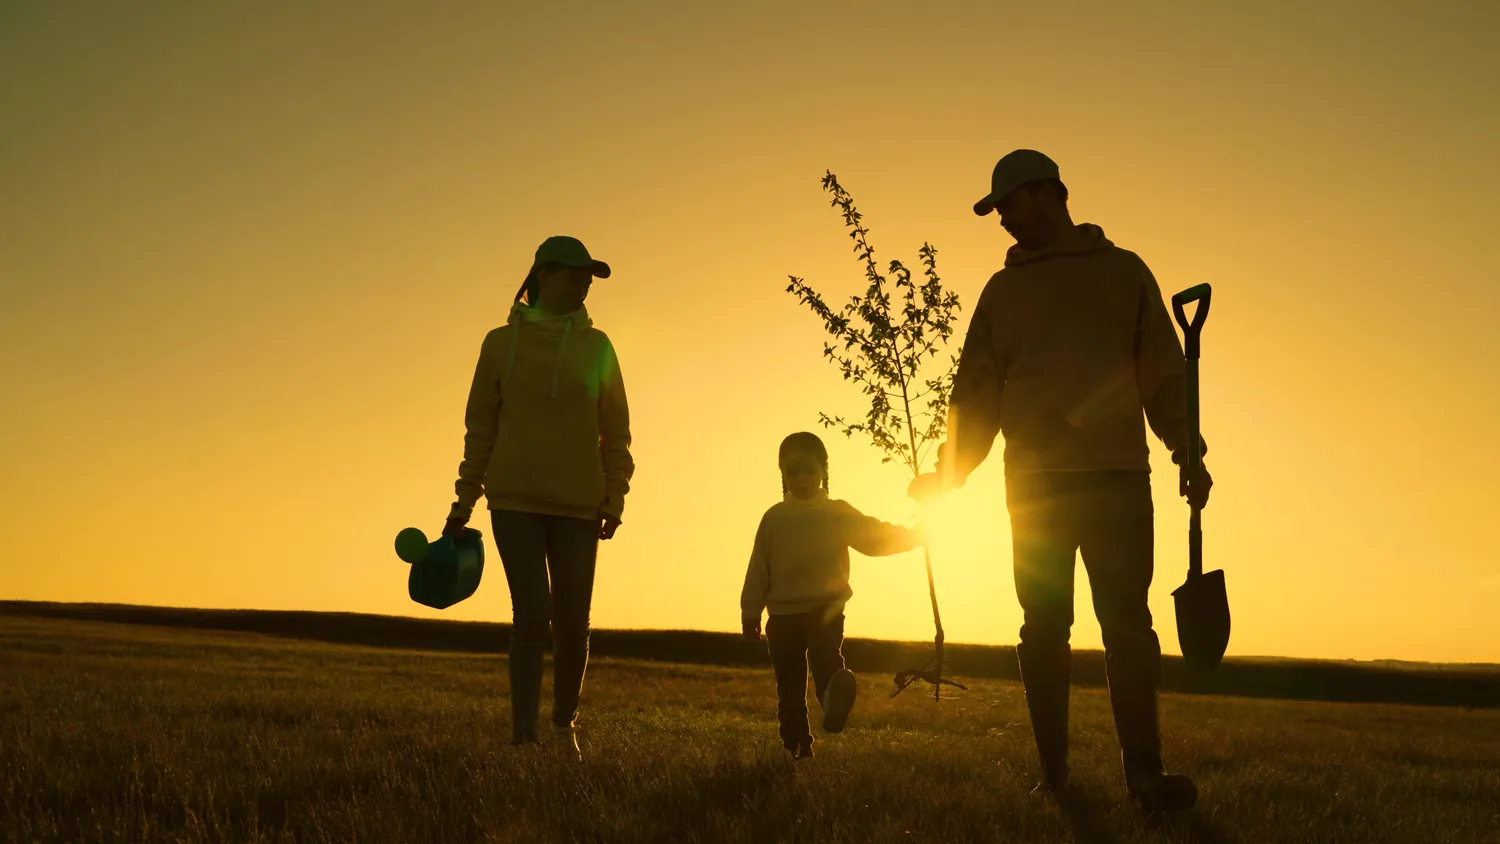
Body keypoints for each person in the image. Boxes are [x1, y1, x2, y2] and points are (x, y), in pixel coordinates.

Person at [908, 150, 1213, 812]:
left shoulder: (1124, 273)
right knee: (1043, 627)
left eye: (1010, 203)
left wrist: (1188, 449)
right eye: (998, 210)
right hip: (1037, 488)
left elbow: (1162, 373)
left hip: (1118, 482)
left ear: (1049, 195)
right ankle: (1055, 776)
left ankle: (1145, 777)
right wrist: (950, 471)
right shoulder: (1002, 292)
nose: (1003, 220)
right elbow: (977, 393)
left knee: (1127, 625)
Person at [442, 235, 634, 756]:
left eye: (588, 279)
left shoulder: (598, 347)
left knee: (573, 623)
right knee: (532, 617)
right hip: (514, 502)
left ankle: (562, 723)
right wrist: (464, 500)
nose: (583, 286)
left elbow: (615, 432)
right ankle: (523, 737)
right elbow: (479, 429)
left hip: (578, 506)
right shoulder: (499, 344)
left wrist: (614, 496)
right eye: (575, 276)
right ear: (543, 275)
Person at [740, 432, 924, 761]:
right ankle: (798, 748)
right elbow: (758, 568)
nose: (801, 479)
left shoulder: (837, 513)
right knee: (790, 686)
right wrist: (751, 612)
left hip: (825, 609)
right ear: (782, 473)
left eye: (808, 470)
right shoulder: (774, 519)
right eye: (792, 471)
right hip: (782, 617)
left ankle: (831, 703)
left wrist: (911, 537)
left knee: (827, 661)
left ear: (824, 470)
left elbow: (874, 536)